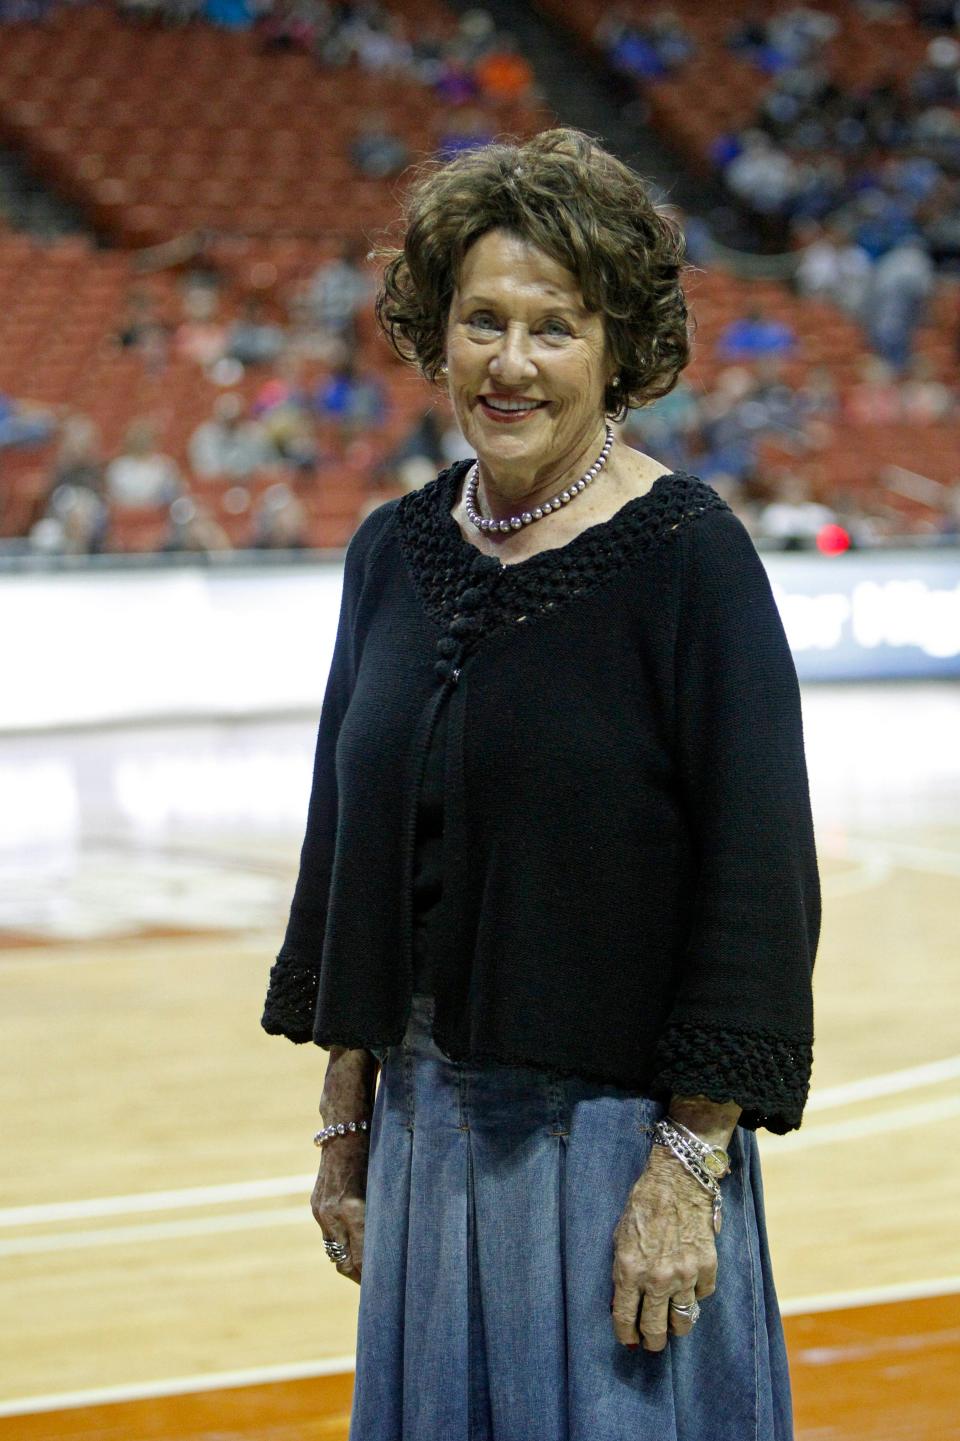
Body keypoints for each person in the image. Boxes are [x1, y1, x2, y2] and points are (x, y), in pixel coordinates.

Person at [261, 128, 820, 1440]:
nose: (513, 363)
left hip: (618, 1155)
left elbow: (759, 882)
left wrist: (689, 1162)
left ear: (618, 347)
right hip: (425, 1144)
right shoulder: (389, 555)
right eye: (483, 321)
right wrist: (346, 1124)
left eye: (554, 326)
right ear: (437, 336)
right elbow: (348, 849)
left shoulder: (689, 560)